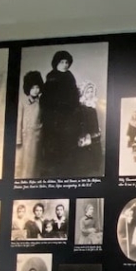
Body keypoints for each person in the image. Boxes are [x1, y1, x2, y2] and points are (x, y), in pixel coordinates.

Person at [39, 50, 83, 178]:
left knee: (68, 145)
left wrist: (72, 110)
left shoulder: (70, 76)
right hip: (53, 118)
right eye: (62, 62)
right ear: (56, 63)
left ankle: (67, 174)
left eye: (67, 62)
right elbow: (45, 99)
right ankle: (55, 174)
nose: (65, 65)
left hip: (68, 118)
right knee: (53, 145)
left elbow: (75, 97)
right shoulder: (51, 76)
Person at [16, 71, 43, 179]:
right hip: (25, 137)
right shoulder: (22, 102)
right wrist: (18, 139)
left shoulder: (41, 103)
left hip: (37, 138)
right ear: (28, 88)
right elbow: (18, 121)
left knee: (34, 164)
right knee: (23, 164)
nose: (35, 90)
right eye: (32, 88)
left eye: (37, 87)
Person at [74, 81, 103, 176]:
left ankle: (95, 168)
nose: (90, 94)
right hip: (86, 133)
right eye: (87, 92)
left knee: (96, 153)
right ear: (83, 93)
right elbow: (82, 122)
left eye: (91, 91)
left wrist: (97, 129)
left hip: (94, 132)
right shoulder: (82, 107)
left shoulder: (93, 105)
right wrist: (86, 134)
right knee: (86, 155)